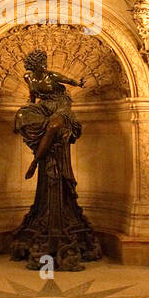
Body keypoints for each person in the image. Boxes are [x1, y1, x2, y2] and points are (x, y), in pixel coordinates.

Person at [9, 49, 101, 271]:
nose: (43, 65)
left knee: (54, 126)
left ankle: (35, 162)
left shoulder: (52, 76)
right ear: (33, 65)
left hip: (61, 109)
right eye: (39, 63)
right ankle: (40, 150)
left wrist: (79, 83)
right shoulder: (29, 77)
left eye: (43, 62)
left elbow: (70, 81)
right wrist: (30, 109)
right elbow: (32, 98)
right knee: (22, 115)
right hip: (43, 108)